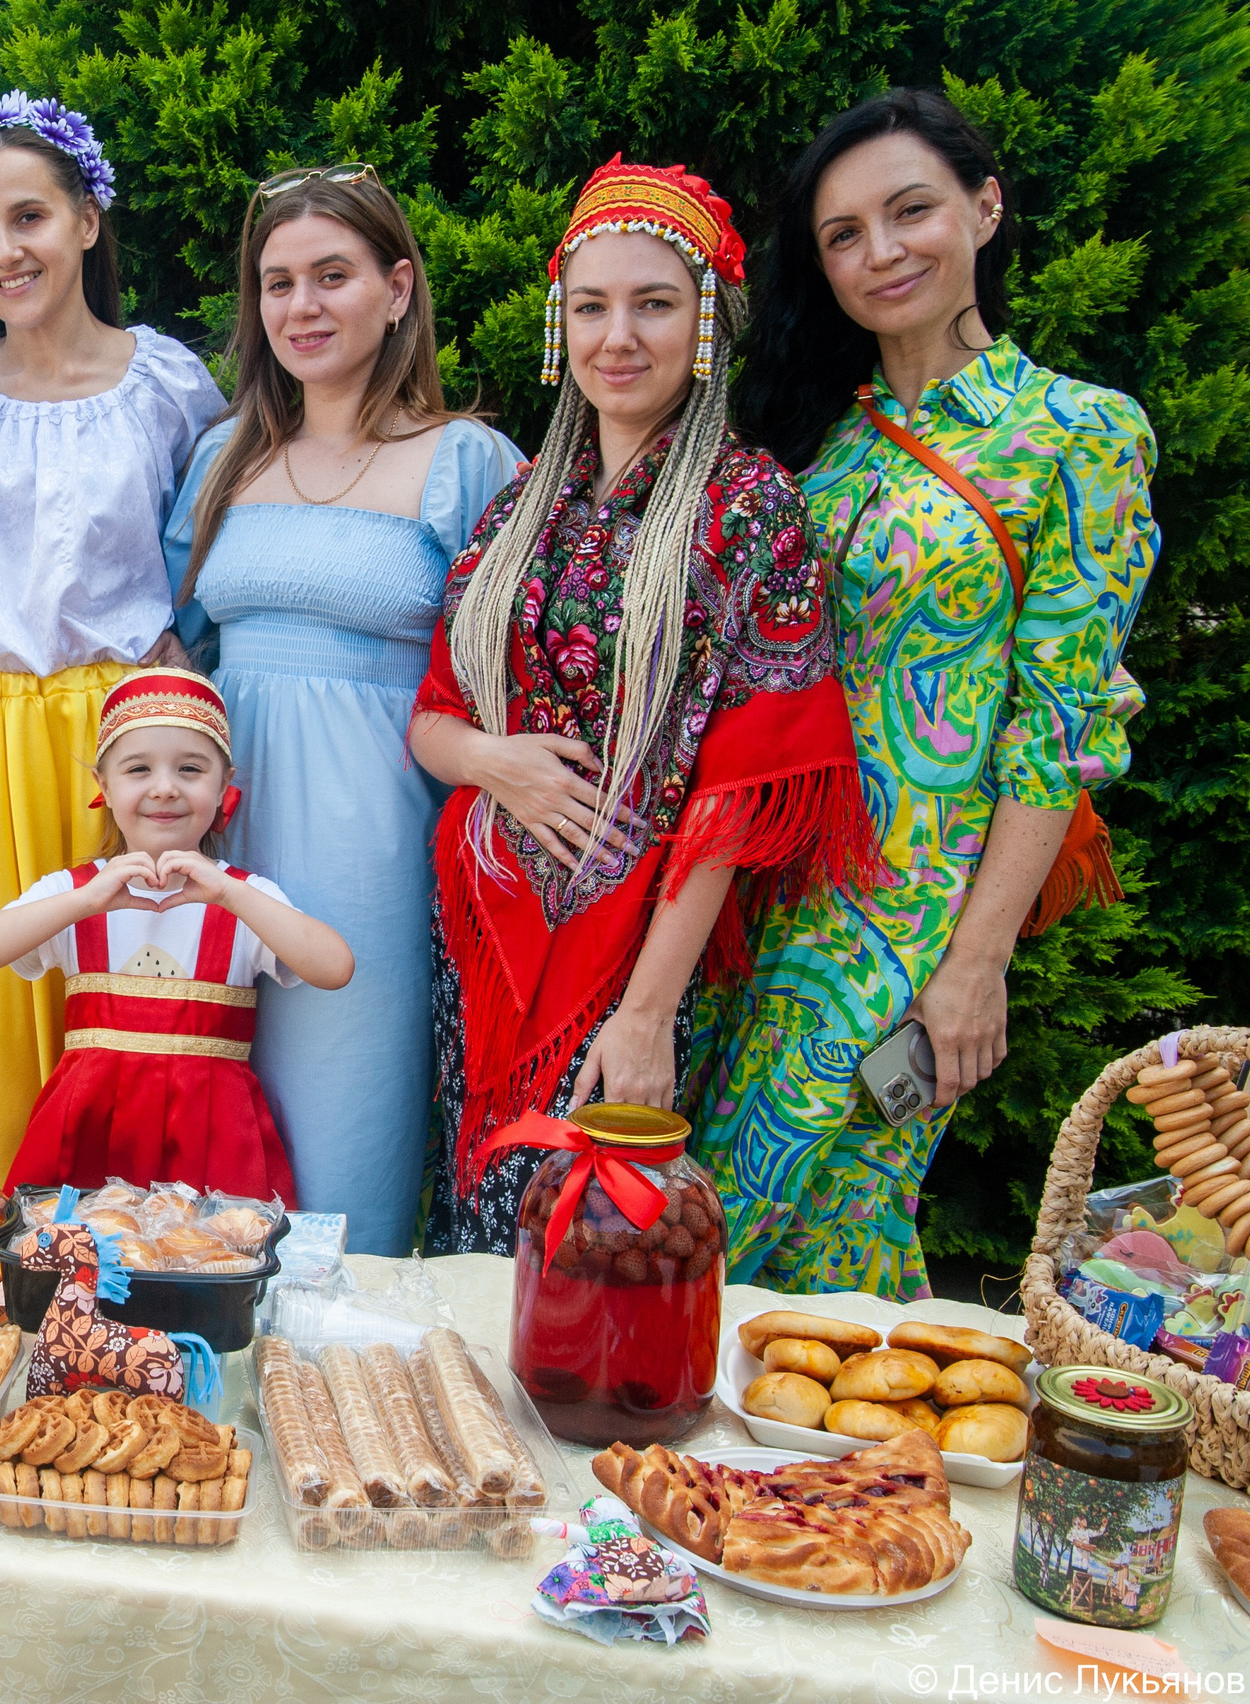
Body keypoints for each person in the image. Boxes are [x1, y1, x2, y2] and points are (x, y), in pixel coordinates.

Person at [709, 90, 1158, 1297]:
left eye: (909, 211)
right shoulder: (812, 442)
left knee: (827, 1238)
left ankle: (837, 1484)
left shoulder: (1077, 435)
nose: (880, 252)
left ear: (984, 206)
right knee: (696, 1219)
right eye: (843, 234)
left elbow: (1056, 727)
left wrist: (977, 963)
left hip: (907, 928)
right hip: (748, 903)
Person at [408, 159, 874, 1256]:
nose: (617, 336)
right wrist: (491, 760)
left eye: (653, 304)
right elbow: (430, 716)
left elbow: (742, 796)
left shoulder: (751, 510)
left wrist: (649, 1012)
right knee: (472, 1209)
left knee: (584, 1235)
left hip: (632, 956)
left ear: (705, 323)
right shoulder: (522, 503)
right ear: (559, 322)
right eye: (591, 305)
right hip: (479, 924)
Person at [164, 163, 520, 1255]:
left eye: (332, 276)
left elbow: (505, 674)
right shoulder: (222, 458)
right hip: (223, 832)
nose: (301, 307)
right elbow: (178, 648)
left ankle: (336, 1374)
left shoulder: (465, 460)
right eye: (277, 284)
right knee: (207, 1112)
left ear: (398, 287)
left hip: (372, 841)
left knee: (341, 1123)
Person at [0, 91, 227, 1187]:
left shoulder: (169, 385)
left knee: (123, 1004)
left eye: (25, 217)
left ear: (86, 218)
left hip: (118, 742)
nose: (2, 252)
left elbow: (209, 565)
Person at [0, 667, 352, 1199]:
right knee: (80, 1276)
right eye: (138, 769)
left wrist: (231, 895)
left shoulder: (243, 895)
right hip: (87, 1146)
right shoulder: (75, 892)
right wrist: (84, 902)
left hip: (214, 1151)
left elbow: (334, 968)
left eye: (190, 769)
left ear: (222, 787)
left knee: (210, 1271)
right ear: (103, 784)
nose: (164, 788)